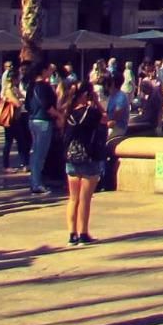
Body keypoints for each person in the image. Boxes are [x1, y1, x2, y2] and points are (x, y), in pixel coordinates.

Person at [60, 81, 107, 244]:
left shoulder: (69, 113)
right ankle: (83, 233)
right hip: (89, 157)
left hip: (72, 158)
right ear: (86, 95)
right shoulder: (92, 112)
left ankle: (72, 234)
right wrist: (96, 102)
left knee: (73, 199)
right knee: (85, 199)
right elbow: (107, 119)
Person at [24, 61, 59, 197]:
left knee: (35, 152)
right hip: (43, 120)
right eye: (49, 70)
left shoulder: (31, 86)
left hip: (32, 119)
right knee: (40, 153)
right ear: (43, 71)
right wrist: (59, 115)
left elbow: (27, 105)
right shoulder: (44, 86)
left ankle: (34, 180)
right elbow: (48, 105)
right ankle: (36, 183)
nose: (51, 72)